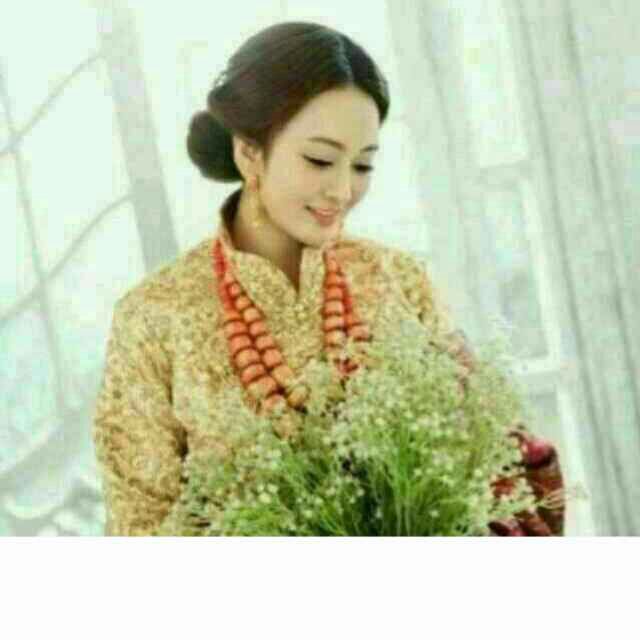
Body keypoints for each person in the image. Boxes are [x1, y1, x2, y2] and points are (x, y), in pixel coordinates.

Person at [92, 21, 565, 536]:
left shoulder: (399, 279)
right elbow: (139, 529)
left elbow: (492, 468)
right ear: (249, 153)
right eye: (319, 160)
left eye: (362, 166)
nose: (342, 190)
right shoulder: (154, 316)